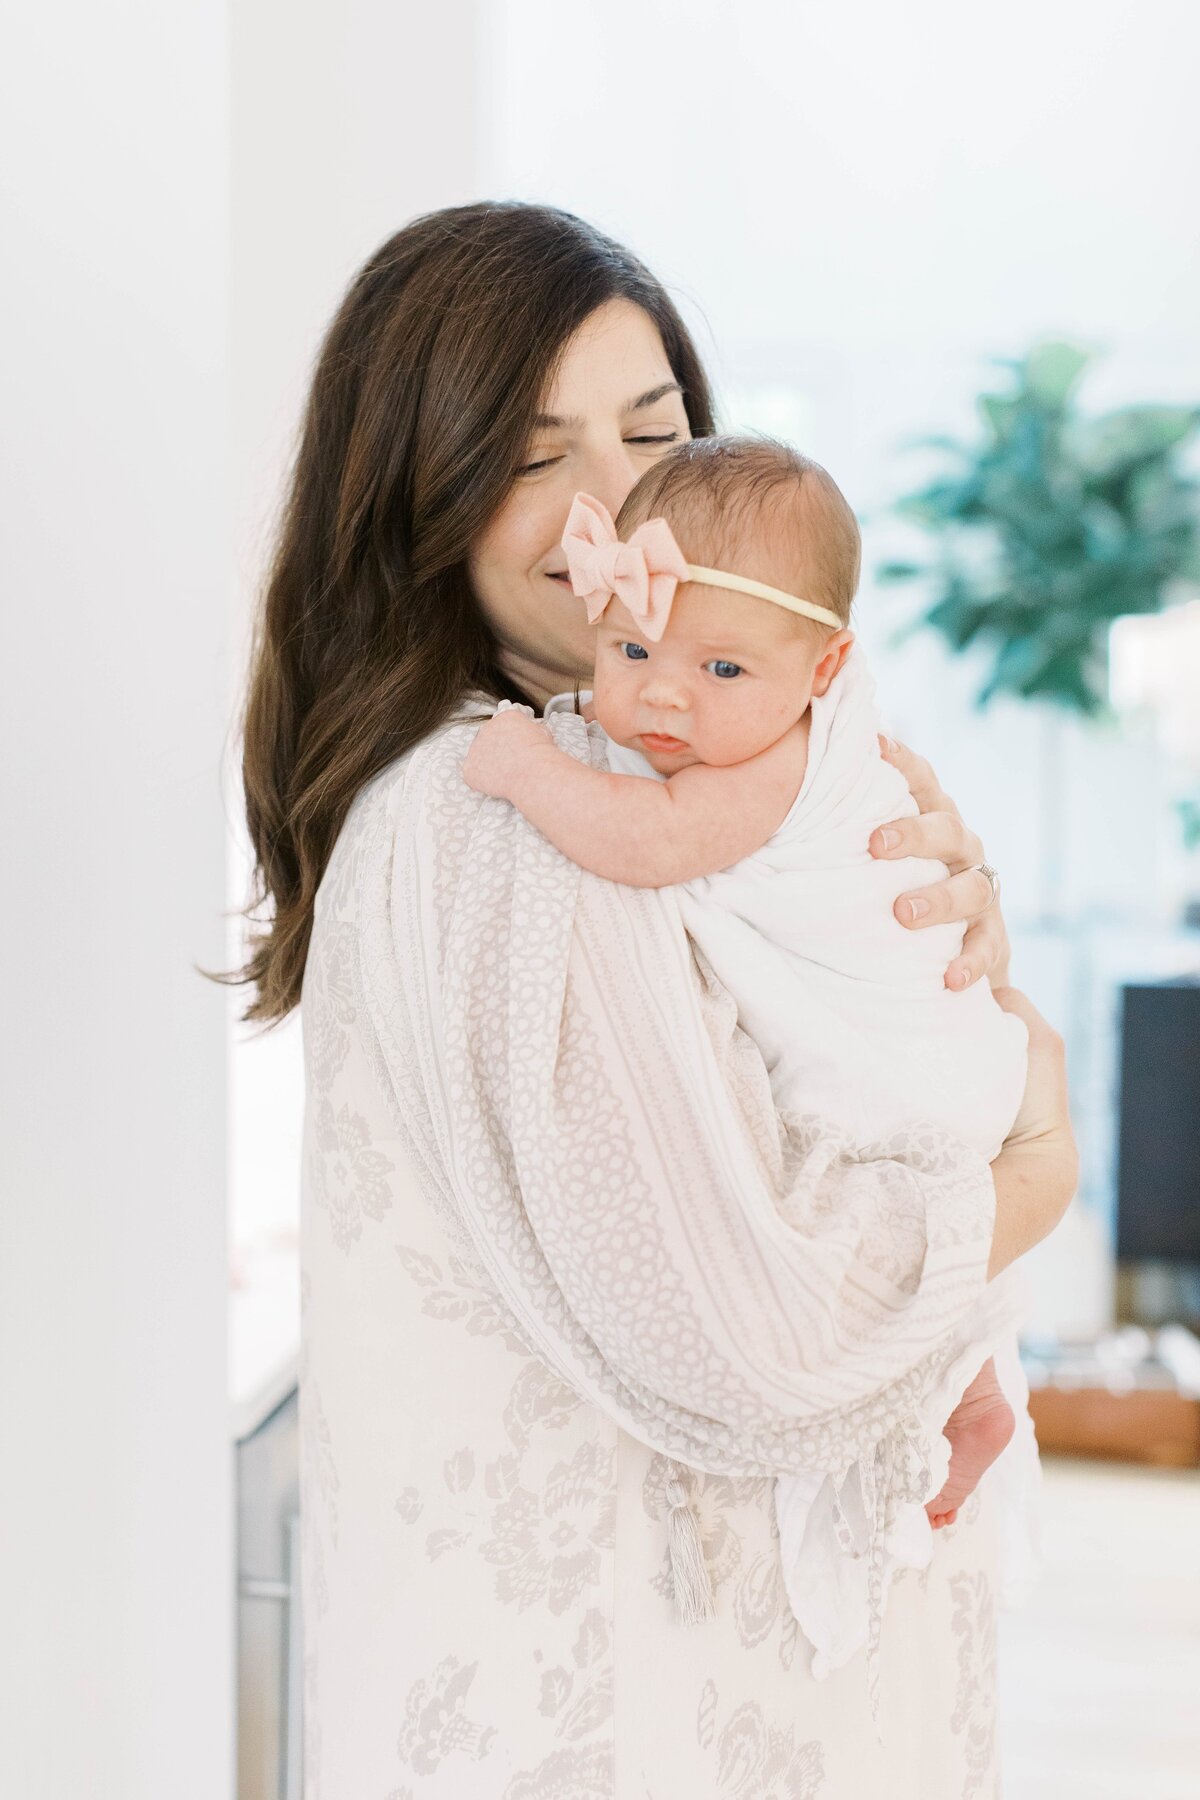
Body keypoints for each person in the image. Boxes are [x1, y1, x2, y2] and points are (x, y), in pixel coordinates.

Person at [229, 201, 1077, 1798]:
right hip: (633, 1724)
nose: (618, 504)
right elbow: (761, 1331)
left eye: (656, 429)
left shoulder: (651, 772)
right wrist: (1034, 1165)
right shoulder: (510, 814)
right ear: (416, 488)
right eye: (532, 451)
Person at [460, 435, 1034, 1679]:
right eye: (631, 652)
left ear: (825, 669)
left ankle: (971, 1396)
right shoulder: (751, 719)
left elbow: (647, 837)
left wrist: (524, 765)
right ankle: (976, 1392)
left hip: (906, 1064)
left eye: (719, 666)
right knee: (955, 1289)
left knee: (888, 1243)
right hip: (960, 1071)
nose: (663, 699)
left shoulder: (769, 764)